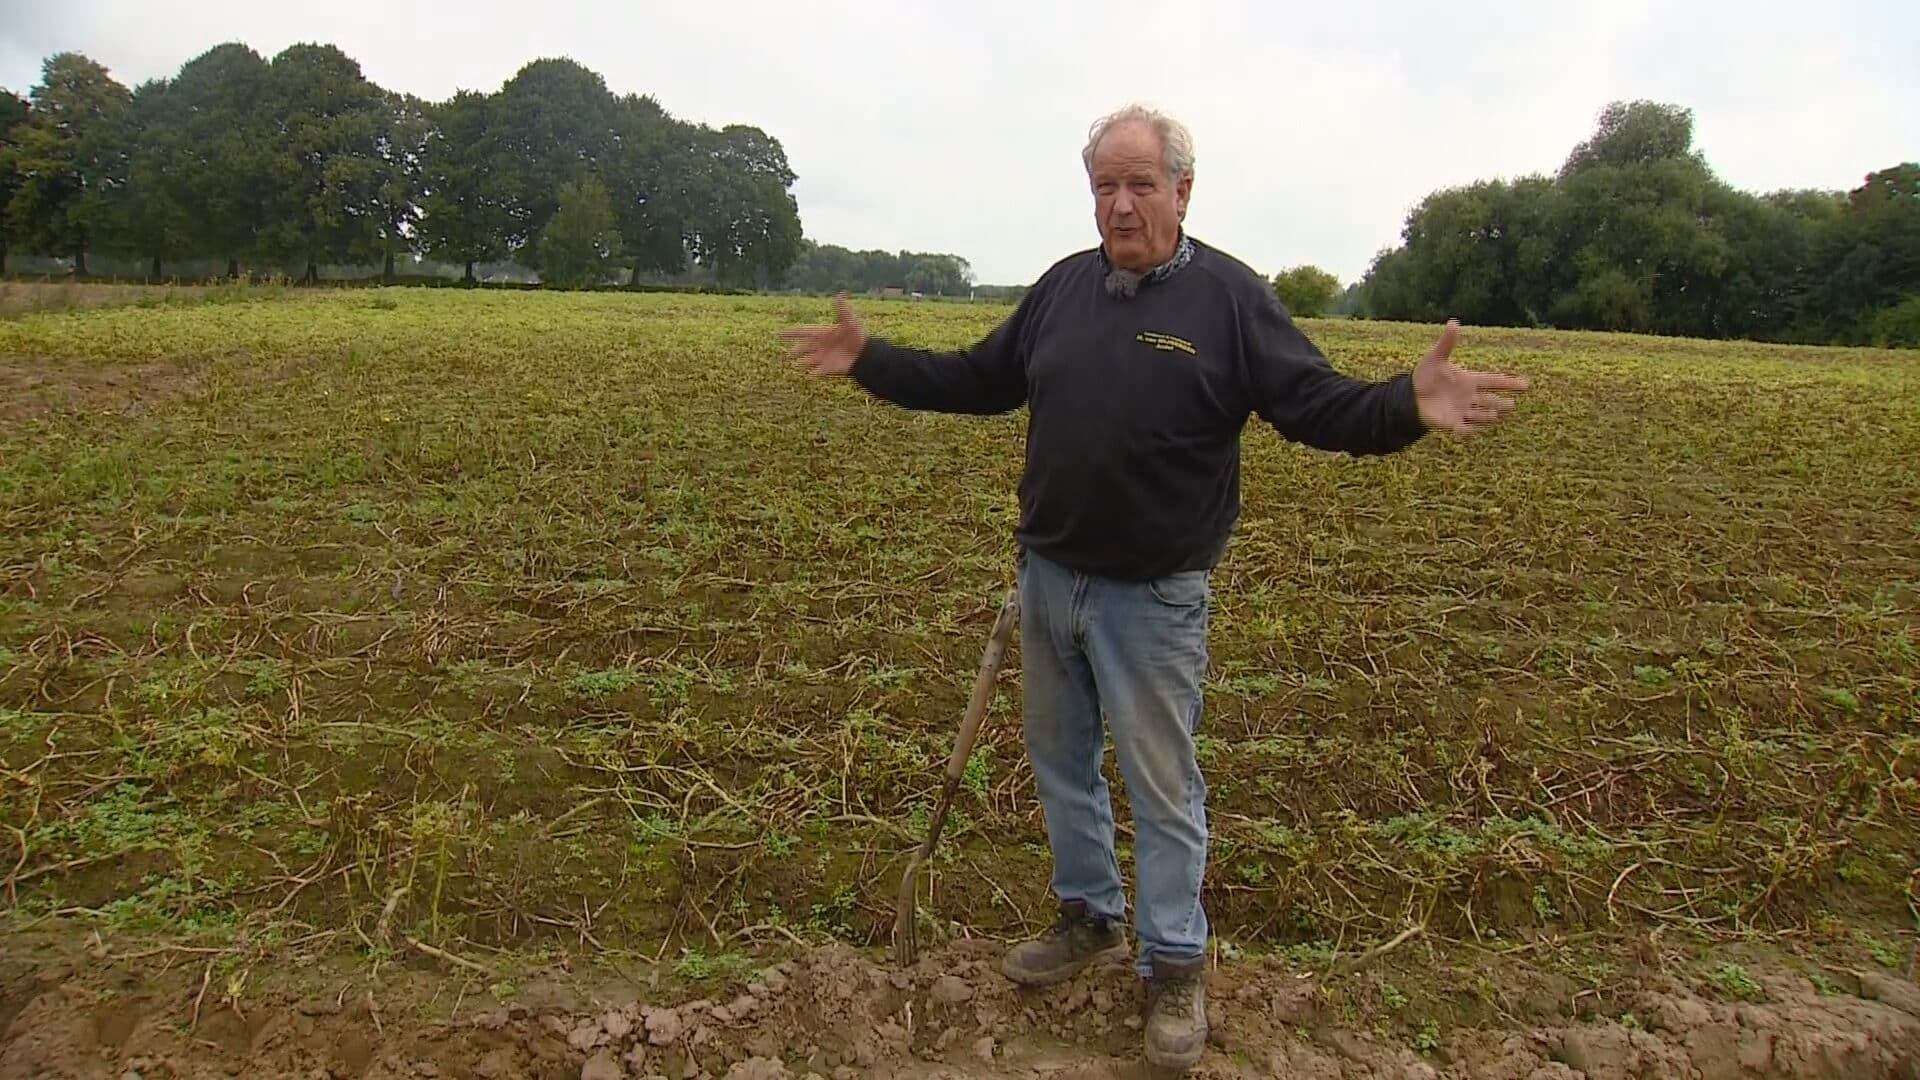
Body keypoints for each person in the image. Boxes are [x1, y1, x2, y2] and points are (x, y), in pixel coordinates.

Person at [780, 103, 1529, 1071]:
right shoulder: (1061, 292)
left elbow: (1314, 403)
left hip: (1155, 598)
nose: (1121, 205)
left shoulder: (1228, 301)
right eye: (1104, 186)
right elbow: (978, 377)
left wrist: (1404, 405)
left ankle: (1174, 964)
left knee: (1162, 787)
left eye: (1140, 184)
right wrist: (870, 363)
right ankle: (1089, 914)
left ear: (1183, 189)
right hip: (1050, 579)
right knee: (1060, 761)